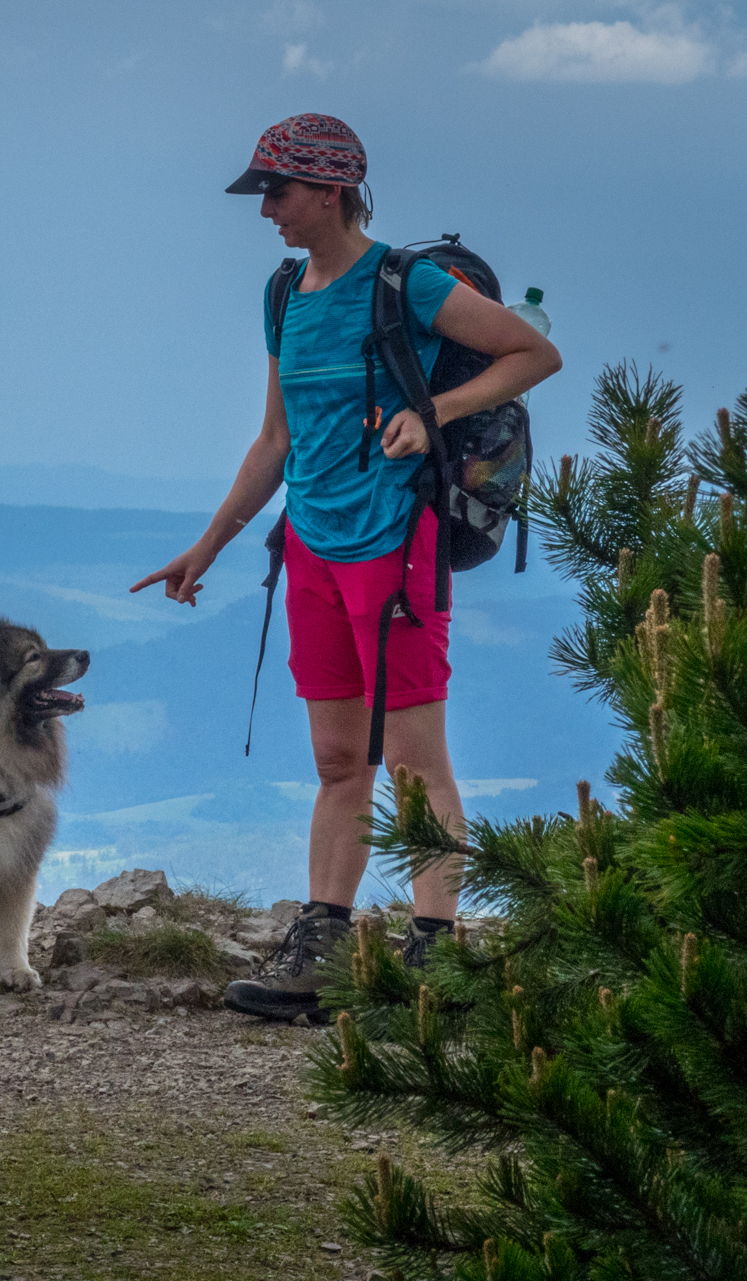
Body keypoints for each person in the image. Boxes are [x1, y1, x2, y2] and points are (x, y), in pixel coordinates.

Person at [131, 114, 561, 1021]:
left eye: (277, 192)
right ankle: (321, 946)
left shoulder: (405, 284)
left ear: (330, 191)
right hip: (315, 548)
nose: (266, 211)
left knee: (411, 756)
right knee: (336, 756)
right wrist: (207, 545)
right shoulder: (283, 295)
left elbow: (533, 352)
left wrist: (435, 411)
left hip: (396, 542)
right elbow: (275, 439)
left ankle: (435, 956)